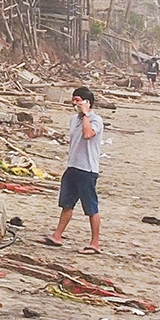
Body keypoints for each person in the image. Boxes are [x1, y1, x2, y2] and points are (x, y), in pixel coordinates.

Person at [42, 87, 104, 254]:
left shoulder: (95, 120)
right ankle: (57, 235)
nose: (74, 103)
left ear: (87, 102)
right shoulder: (73, 119)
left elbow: (88, 134)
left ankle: (95, 243)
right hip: (73, 167)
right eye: (73, 100)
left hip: (87, 169)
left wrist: (85, 115)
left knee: (91, 208)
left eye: (77, 100)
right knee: (67, 204)